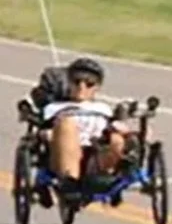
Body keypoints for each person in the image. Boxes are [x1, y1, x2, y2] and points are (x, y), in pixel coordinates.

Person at [39, 57, 131, 203]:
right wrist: (48, 133)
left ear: (97, 87)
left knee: (117, 138)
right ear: (69, 83)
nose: (82, 87)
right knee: (67, 124)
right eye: (76, 81)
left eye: (89, 83)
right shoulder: (54, 107)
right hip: (63, 155)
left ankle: (108, 179)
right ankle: (71, 184)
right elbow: (43, 131)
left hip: (95, 157)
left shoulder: (103, 108)